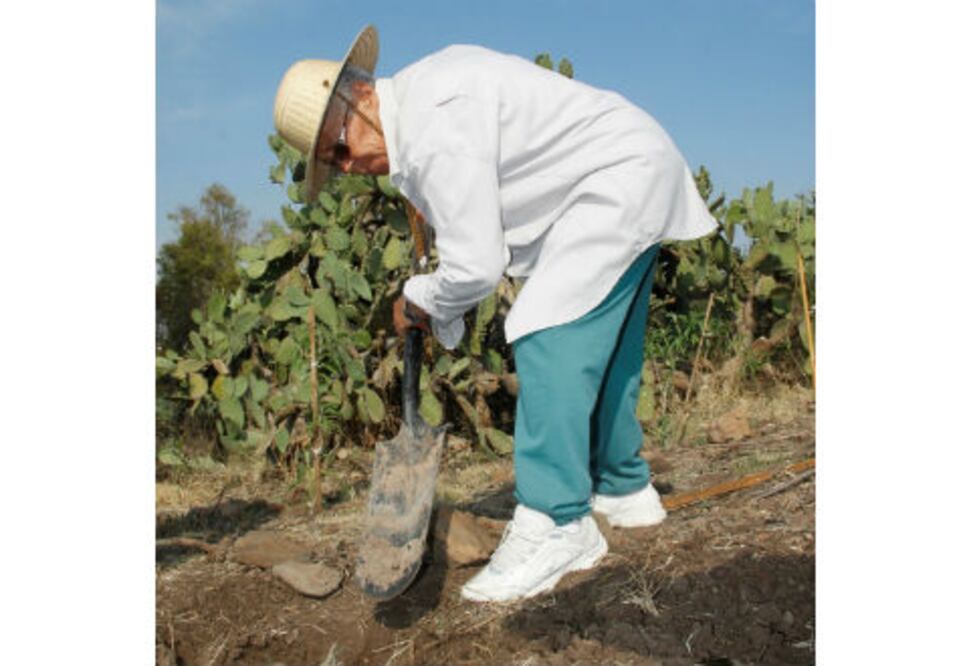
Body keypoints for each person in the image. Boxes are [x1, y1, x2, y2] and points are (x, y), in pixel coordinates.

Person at [273, 25, 716, 603]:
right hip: (631, 167)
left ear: (357, 98)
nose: (348, 164)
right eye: (332, 164)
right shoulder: (423, 105)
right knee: (604, 348)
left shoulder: (433, 124)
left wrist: (419, 298)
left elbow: (479, 265)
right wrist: (434, 296)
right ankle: (625, 490)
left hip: (616, 179)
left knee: (543, 326)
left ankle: (557, 523)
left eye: (340, 145)